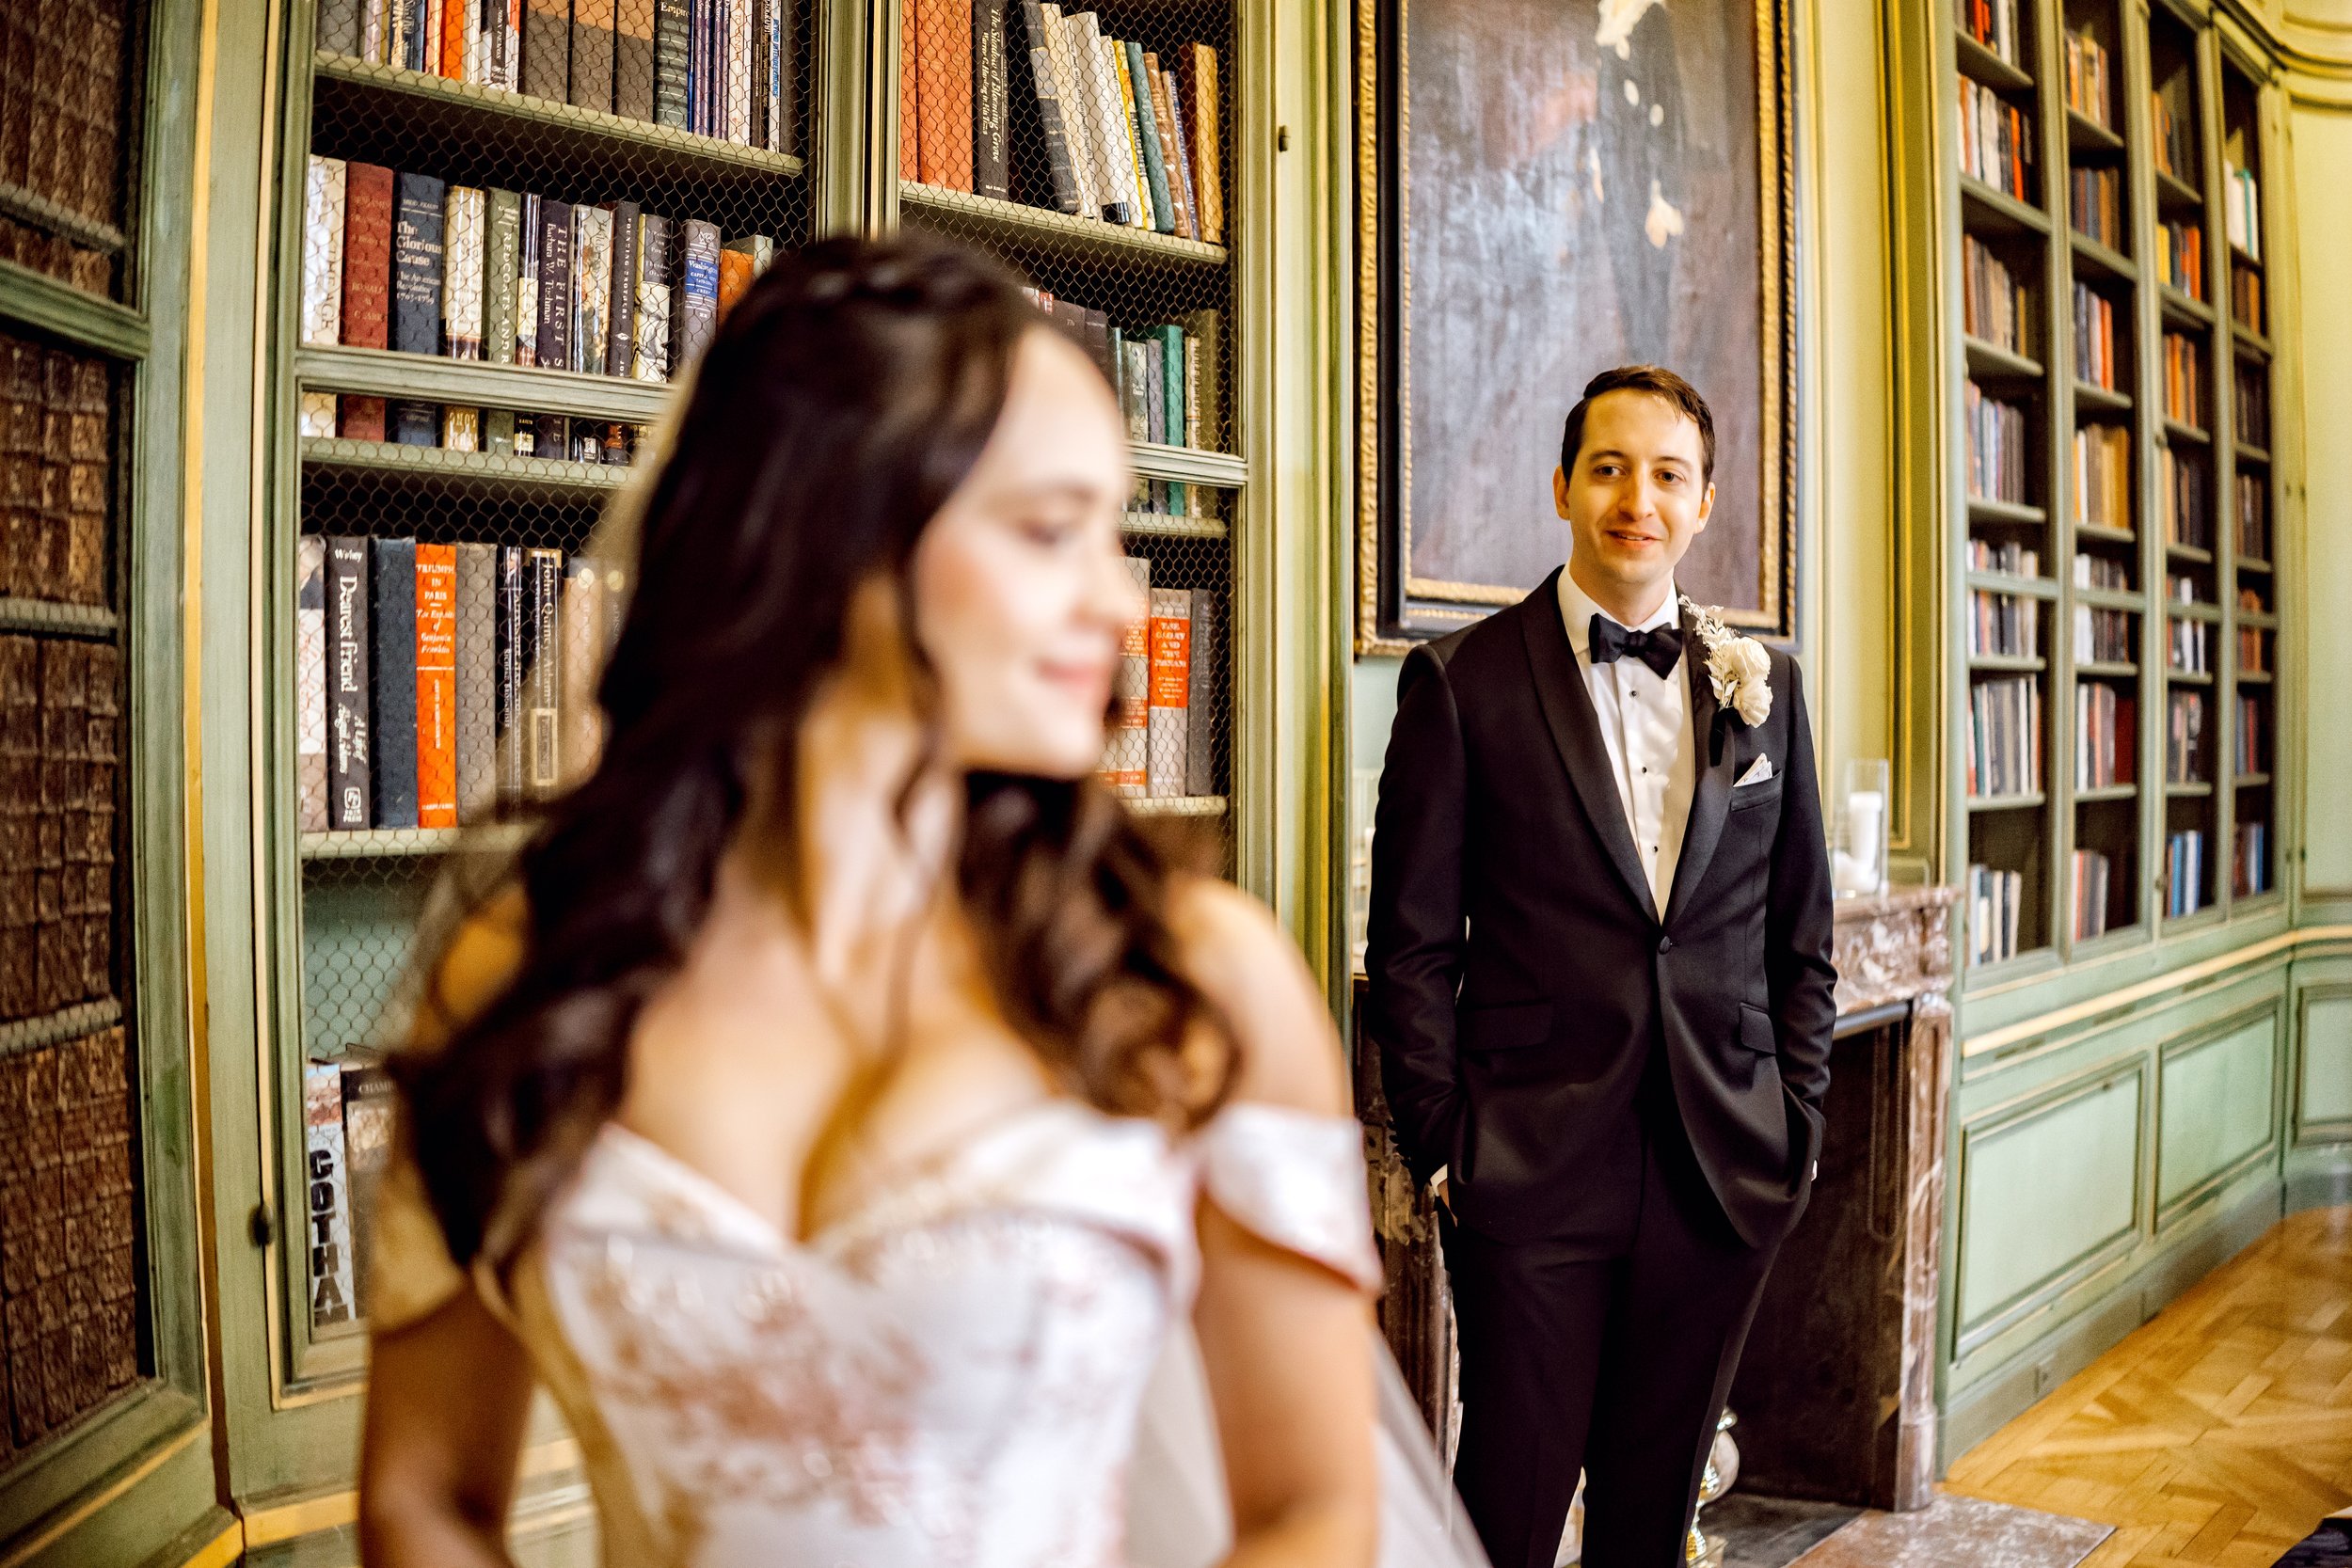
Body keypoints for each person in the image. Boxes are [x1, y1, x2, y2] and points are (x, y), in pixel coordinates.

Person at [356, 236, 1394, 1568]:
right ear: (829, 529)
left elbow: (1314, 1509)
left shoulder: (1192, 977)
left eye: (1116, 532)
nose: (1119, 600)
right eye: (1046, 530)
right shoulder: (527, 972)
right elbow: (423, 1499)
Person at [1364, 366, 1836, 1568]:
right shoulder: (1459, 682)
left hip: (1720, 1169)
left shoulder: (1764, 685)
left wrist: (1797, 1126)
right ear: (1564, 486)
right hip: (1527, 1172)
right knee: (1508, 1508)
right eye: (1612, 468)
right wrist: (1443, 1150)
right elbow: (1409, 946)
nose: (1639, 497)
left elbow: (1800, 932)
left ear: (1705, 502)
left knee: (1653, 1513)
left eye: (1668, 473)